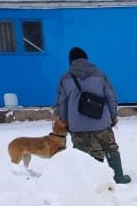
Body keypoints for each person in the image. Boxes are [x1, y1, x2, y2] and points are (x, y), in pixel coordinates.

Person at [55, 47, 130, 184]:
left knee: (82, 153)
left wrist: (64, 120)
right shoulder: (100, 74)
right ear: (86, 58)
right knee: (110, 147)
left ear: (71, 60)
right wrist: (112, 116)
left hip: (77, 126)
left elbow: (62, 102)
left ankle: (89, 182)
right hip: (101, 122)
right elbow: (111, 97)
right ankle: (118, 177)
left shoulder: (65, 78)